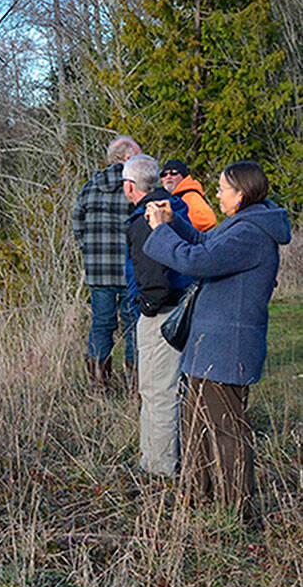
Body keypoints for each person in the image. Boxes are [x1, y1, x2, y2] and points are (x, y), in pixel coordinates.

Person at [144, 160, 292, 510]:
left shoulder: (250, 234)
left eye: (223, 188)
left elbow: (198, 261)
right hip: (210, 346)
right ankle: (197, 497)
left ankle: (236, 510)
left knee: (226, 432)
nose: (216, 193)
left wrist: (160, 232)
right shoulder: (242, 225)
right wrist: (173, 221)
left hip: (226, 349)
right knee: (196, 425)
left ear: (240, 194)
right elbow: (205, 242)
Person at [122, 155, 192, 477]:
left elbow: (153, 276)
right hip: (177, 310)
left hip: (161, 315)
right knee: (159, 391)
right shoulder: (173, 210)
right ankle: (150, 461)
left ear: (129, 186)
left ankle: (161, 468)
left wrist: (147, 308)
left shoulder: (144, 220)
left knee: (158, 393)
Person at [72, 135, 141, 390]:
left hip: (98, 271)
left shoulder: (89, 187)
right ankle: (136, 385)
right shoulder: (134, 187)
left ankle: (99, 385)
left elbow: (76, 224)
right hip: (129, 270)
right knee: (133, 324)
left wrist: (89, 251)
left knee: (101, 324)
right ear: (128, 158)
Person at [159, 159, 217, 231]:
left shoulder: (190, 196)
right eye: (164, 174)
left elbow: (208, 220)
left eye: (173, 173)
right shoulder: (169, 196)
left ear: (183, 176)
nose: (168, 177)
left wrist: (182, 228)